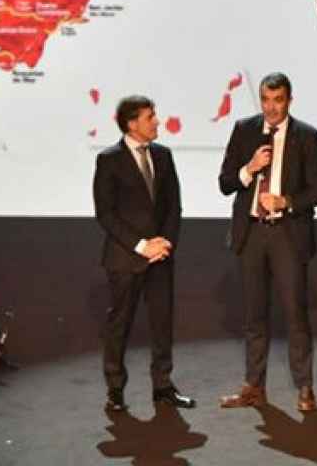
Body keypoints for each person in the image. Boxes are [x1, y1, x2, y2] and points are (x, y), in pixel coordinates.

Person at [216, 72, 317, 412]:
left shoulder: (307, 136)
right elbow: (225, 182)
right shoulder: (244, 130)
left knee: (295, 314)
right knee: (254, 315)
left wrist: (287, 202)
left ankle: (305, 388)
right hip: (251, 233)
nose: (271, 108)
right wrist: (249, 169)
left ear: (289, 101)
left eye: (277, 101)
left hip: (287, 234)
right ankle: (254, 386)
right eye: (266, 100)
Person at [93, 94, 194, 413]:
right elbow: (106, 214)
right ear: (132, 123)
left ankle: (163, 386)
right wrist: (141, 246)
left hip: (161, 257)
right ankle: (115, 390)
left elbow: (173, 206)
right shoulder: (109, 160)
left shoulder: (163, 156)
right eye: (151, 117)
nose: (157, 122)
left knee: (162, 323)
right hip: (126, 258)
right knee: (119, 324)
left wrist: (165, 243)